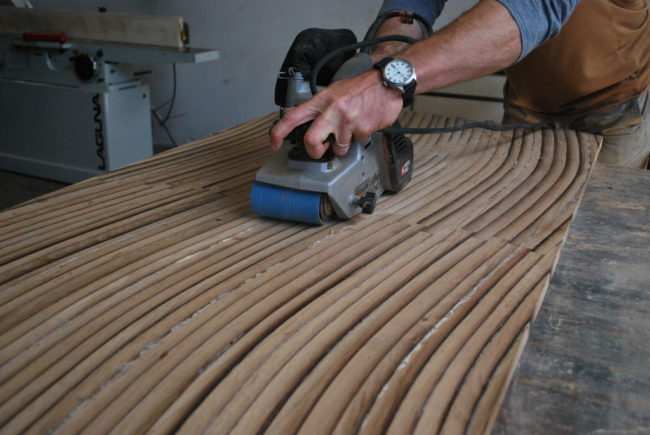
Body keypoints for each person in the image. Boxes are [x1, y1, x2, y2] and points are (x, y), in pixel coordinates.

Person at [270, 0, 649, 168]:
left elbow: (536, 7)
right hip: (526, 101)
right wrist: (383, 54)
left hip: (612, 104)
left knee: (593, 236)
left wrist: (390, 80)